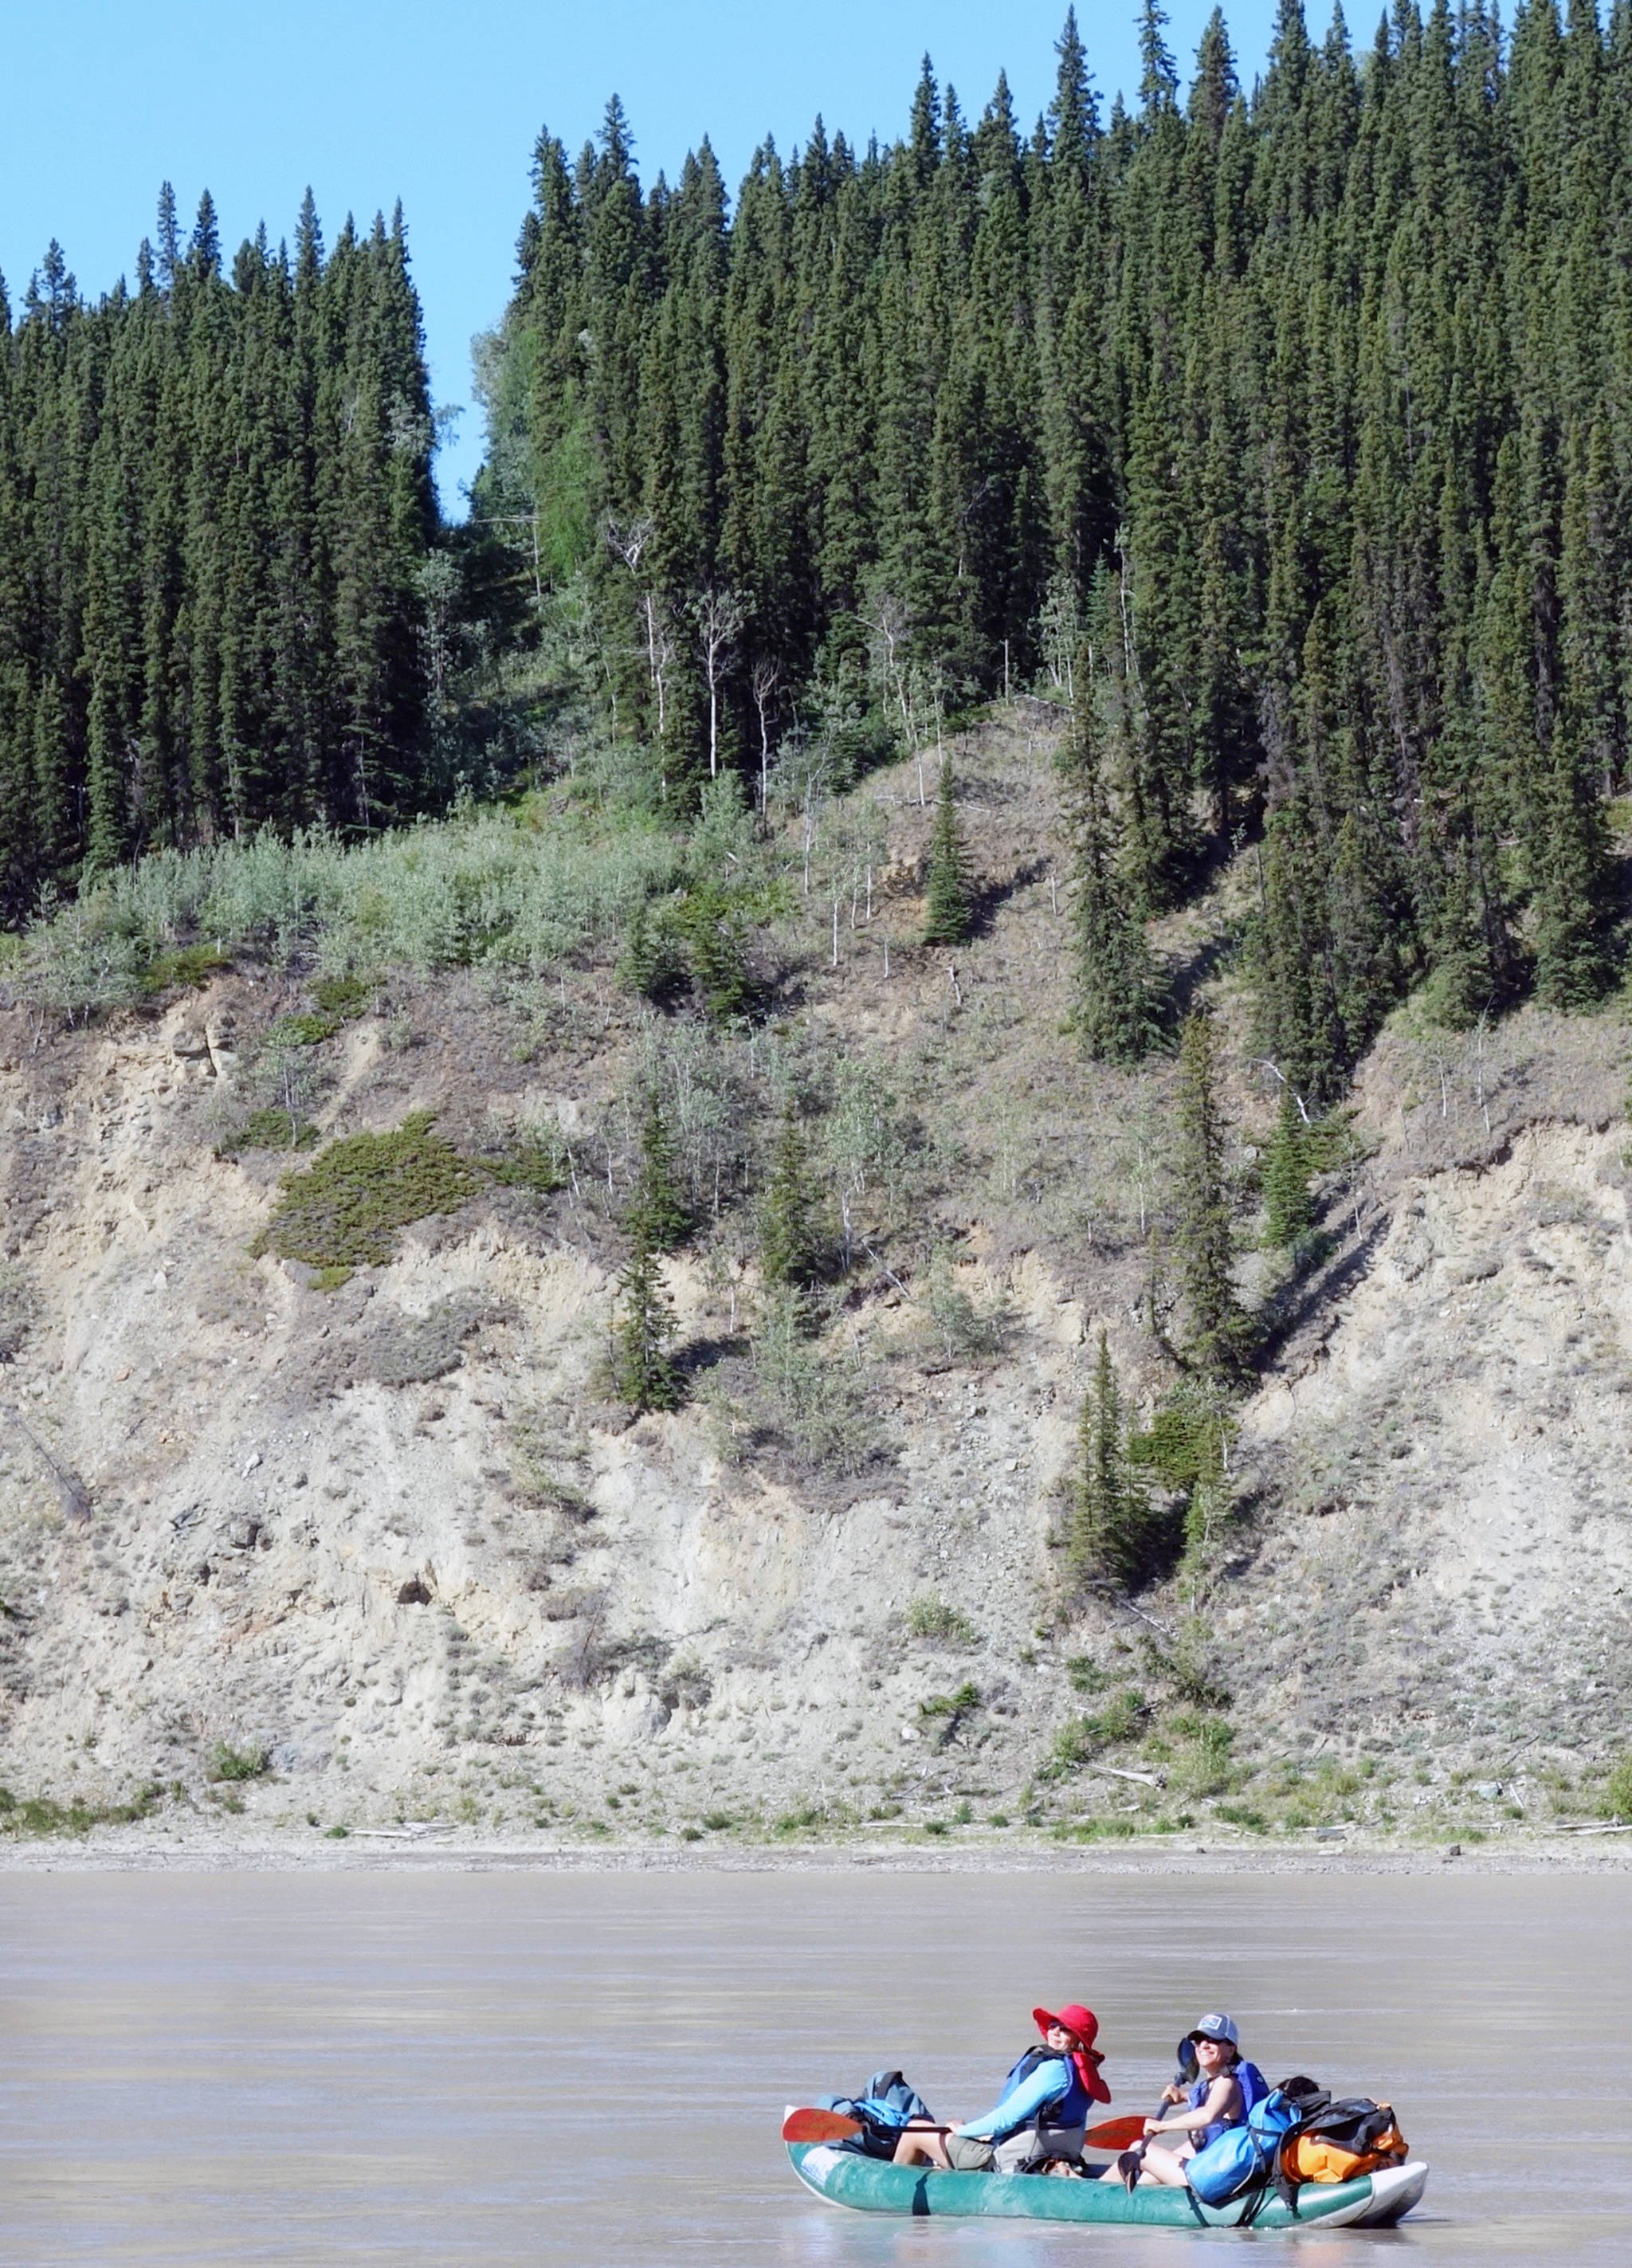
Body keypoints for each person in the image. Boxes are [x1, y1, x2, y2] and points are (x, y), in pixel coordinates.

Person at [892, 2003, 1111, 2173]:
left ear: (1078, 2040)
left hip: (1009, 2160)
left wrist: (962, 2131)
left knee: (917, 2129)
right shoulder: (1084, 2072)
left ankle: (893, 2187)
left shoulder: (1054, 2070)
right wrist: (982, 2133)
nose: (1055, 2031)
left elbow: (1006, 2119)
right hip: (1052, 2155)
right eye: (1054, 2024)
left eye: (1065, 2030)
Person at [1108, 2012, 1263, 2191]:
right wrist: (1183, 2096)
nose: (1203, 2045)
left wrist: (1162, 2126)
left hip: (1215, 2177)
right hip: (1219, 2166)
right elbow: (1215, 2102)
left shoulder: (1227, 2083)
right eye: (1199, 2040)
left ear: (1231, 2049)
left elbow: (1208, 2115)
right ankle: (1127, 2193)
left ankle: (1095, 2190)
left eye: (1213, 2040)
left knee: (1139, 2149)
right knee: (1174, 2156)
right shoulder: (1220, 2082)